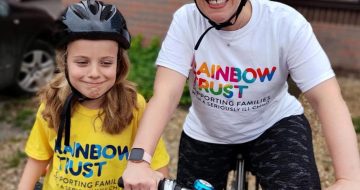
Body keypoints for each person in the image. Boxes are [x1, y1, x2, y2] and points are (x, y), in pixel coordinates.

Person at [122, 0, 360, 189]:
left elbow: (327, 97)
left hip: (273, 126)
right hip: (207, 132)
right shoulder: (187, 20)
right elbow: (166, 94)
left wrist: (350, 179)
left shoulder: (285, 23)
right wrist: (139, 161)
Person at [18, 0, 170, 189]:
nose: (94, 73)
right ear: (65, 63)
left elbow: (157, 164)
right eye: (82, 62)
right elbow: (37, 159)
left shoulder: (134, 105)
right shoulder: (52, 103)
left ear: (119, 64)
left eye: (106, 63)